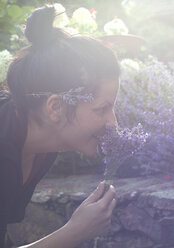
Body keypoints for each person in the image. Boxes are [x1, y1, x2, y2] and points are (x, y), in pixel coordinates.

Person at [0, 5, 120, 248]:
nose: (113, 123)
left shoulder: (41, 146)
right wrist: (73, 233)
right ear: (55, 108)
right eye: (101, 109)